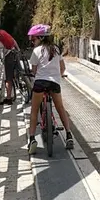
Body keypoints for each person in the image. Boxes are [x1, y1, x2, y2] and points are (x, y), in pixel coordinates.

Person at [26, 24, 74, 153]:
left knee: (34, 110)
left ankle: (32, 139)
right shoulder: (56, 49)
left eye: (34, 39)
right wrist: (60, 74)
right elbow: (62, 68)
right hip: (54, 83)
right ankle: (69, 135)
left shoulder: (36, 51)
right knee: (60, 108)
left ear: (40, 38)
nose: (33, 41)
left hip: (40, 83)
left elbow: (34, 70)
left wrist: (36, 75)